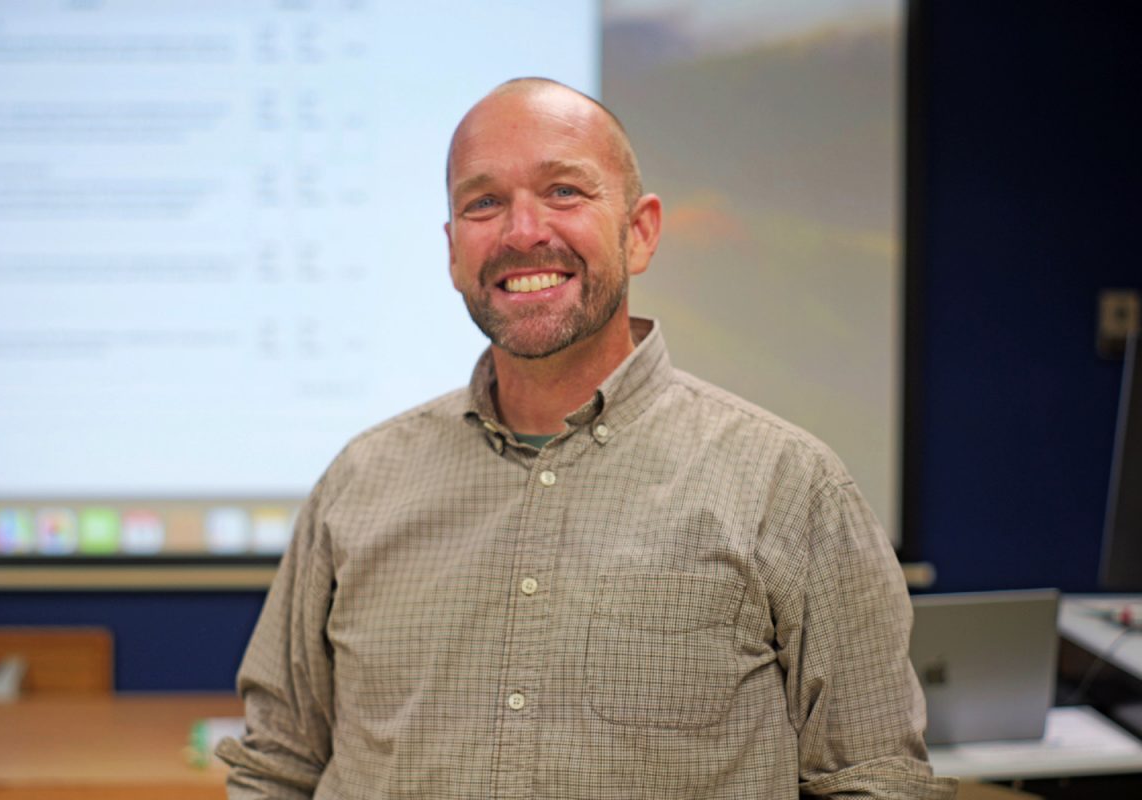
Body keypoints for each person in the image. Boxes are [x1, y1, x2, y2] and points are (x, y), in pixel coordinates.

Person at [217, 77, 957, 799]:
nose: (523, 231)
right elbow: (277, 767)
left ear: (640, 232)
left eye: (564, 192)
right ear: (452, 252)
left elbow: (875, 781)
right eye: (484, 203)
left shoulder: (790, 487)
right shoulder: (360, 483)